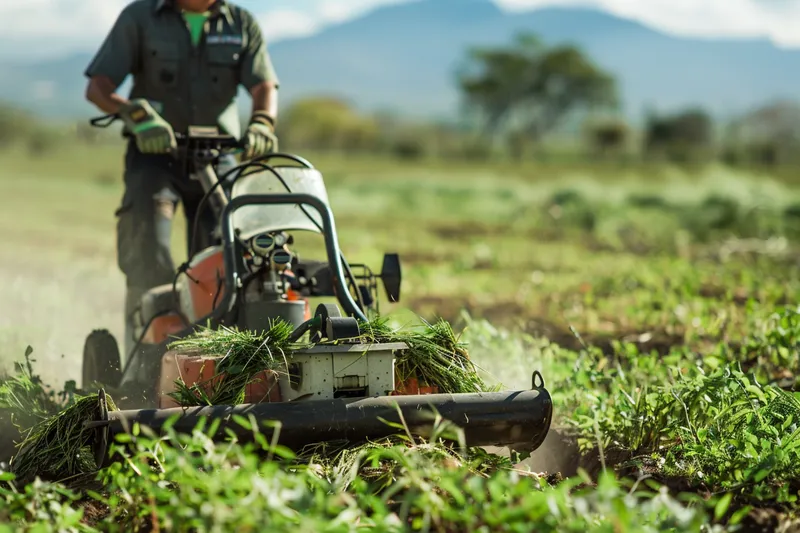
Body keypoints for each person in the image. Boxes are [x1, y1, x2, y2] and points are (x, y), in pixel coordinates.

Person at [83, 0, 280, 357]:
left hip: (218, 157)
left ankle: (215, 361)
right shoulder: (140, 17)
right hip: (155, 156)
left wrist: (263, 121)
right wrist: (134, 114)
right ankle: (142, 364)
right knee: (150, 250)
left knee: (222, 262)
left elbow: (264, 85)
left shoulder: (241, 23)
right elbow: (98, 87)